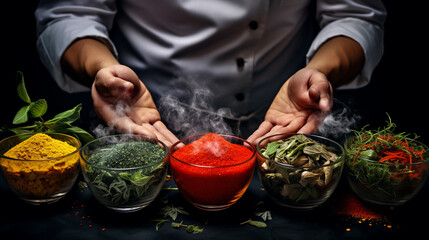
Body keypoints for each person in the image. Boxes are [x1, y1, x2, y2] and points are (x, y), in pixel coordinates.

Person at [35, 0, 386, 146]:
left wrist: (318, 71)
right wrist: (102, 69)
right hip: (146, 126)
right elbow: (70, 14)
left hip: (279, 131)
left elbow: (354, 15)